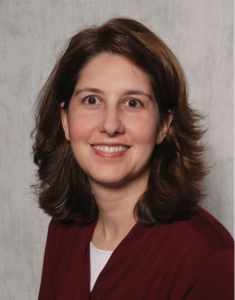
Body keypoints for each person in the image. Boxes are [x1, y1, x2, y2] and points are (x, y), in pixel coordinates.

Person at [32, 18, 235, 299]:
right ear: (65, 120)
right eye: (92, 100)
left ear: (163, 124)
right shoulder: (64, 231)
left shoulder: (207, 258)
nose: (111, 125)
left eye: (133, 102)